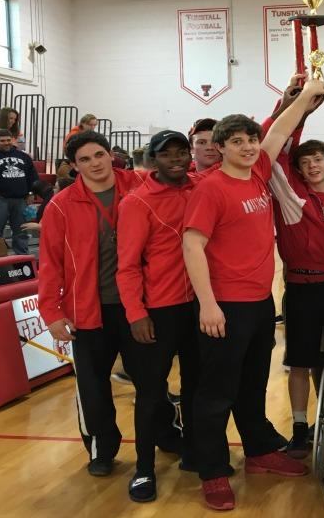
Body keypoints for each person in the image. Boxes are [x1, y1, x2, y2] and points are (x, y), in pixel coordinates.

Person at [181, 80, 324, 510]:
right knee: (216, 391)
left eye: (250, 140)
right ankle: (212, 470)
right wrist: (207, 304)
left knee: (251, 385)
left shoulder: (259, 170)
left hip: (261, 302)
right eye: (237, 142)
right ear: (221, 147)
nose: (248, 147)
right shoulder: (211, 187)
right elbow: (192, 245)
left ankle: (260, 451)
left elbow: (280, 130)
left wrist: (306, 96)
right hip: (224, 306)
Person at [39, 131, 146, 479]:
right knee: (92, 386)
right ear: (73, 167)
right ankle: (102, 449)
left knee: (151, 381)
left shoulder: (141, 185)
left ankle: (165, 434)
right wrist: (51, 312)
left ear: (110, 154)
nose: (95, 163)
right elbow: (50, 263)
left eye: (99, 155)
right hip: (89, 310)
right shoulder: (60, 205)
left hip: (140, 307)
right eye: (84, 159)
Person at [261, 75, 324, 459]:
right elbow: (277, 148)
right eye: (305, 162)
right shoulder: (291, 196)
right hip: (300, 291)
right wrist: (295, 106)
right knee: (300, 361)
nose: (312, 165)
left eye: (318, 159)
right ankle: (301, 425)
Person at [116, 130, 206, 502]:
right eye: (166, 154)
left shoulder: (202, 187)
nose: (176, 159)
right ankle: (143, 469)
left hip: (200, 305)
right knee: (151, 393)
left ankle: (196, 452)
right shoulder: (137, 202)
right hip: (159, 310)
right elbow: (127, 266)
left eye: (181, 152)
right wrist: (136, 314)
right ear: (153, 160)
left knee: (197, 388)